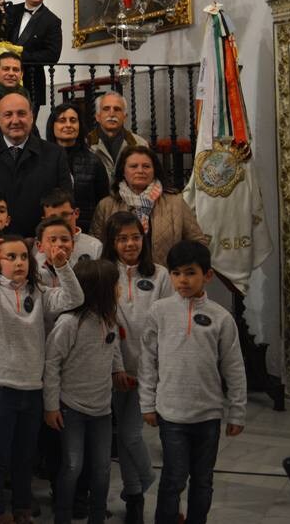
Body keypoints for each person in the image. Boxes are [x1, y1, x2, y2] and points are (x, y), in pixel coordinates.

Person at [0, 233, 82, 524]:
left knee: (25, 454)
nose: (19, 262)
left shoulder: (39, 293)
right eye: (10, 257)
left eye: (24, 257)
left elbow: (75, 298)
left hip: (32, 386)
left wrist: (62, 266)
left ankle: (23, 507)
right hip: (0, 386)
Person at [139, 241, 246, 524]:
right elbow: (147, 360)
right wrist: (147, 403)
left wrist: (237, 411)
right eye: (176, 273)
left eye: (190, 273)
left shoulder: (221, 318)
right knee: (173, 479)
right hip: (171, 413)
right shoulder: (159, 312)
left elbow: (234, 367)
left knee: (202, 480)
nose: (182, 280)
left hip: (208, 415)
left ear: (207, 275)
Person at [43, 258, 123, 524]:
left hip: (102, 408)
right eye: (115, 285)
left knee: (101, 469)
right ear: (101, 289)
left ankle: (97, 517)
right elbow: (52, 364)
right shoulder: (69, 323)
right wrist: (51, 406)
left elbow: (113, 346)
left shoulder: (109, 318)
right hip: (71, 407)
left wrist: (119, 370)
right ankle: (63, 516)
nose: (119, 289)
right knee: (73, 466)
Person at [101, 211, 168, 524]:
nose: (130, 244)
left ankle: (144, 482)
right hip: (114, 369)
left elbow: (167, 323)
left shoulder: (160, 275)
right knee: (125, 436)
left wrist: (154, 368)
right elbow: (106, 322)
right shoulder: (104, 273)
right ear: (112, 242)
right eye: (122, 238)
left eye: (136, 237)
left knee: (129, 435)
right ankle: (135, 498)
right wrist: (116, 368)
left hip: (147, 369)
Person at [0, 92, 73, 237]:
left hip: (40, 244)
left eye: (21, 114)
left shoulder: (55, 155)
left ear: (31, 117)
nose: (15, 120)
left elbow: (64, 204)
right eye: (8, 114)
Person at [92, 145, 205, 265]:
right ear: (123, 171)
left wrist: (180, 271)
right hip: (118, 278)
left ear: (154, 170)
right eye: (133, 166)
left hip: (165, 279)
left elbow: (198, 243)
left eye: (146, 166)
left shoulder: (175, 202)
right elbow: (95, 248)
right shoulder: (106, 205)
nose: (140, 171)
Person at [3, 0, 63, 111]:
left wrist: (21, 55)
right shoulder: (10, 11)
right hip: (4, 80)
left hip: (32, 82)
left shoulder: (52, 21)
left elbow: (52, 55)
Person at [46, 99, 111, 222]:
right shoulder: (42, 160)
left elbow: (103, 204)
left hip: (87, 229)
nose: (68, 125)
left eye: (73, 120)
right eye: (62, 120)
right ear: (52, 125)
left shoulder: (94, 162)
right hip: (51, 228)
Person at [84, 91, 149, 178]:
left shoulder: (140, 144)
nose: (112, 114)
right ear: (97, 116)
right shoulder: (85, 144)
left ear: (125, 117)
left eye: (117, 109)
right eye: (106, 109)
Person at [40, 189, 104, 264]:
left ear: (76, 213)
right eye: (53, 217)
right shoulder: (35, 249)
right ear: (44, 220)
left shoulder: (95, 246)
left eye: (65, 215)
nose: (60, 221)